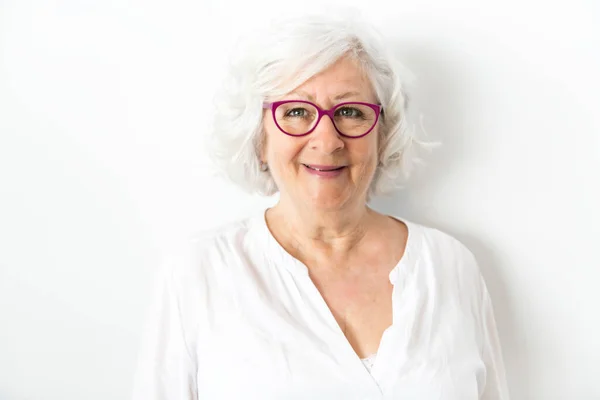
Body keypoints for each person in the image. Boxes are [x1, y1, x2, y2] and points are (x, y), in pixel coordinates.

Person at [132, 12, 509, 400]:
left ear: (384, 134)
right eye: (297, 112)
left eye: (350, 112)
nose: (327, 141)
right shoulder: (200, 273)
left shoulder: (449, 267)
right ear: (259, 136)